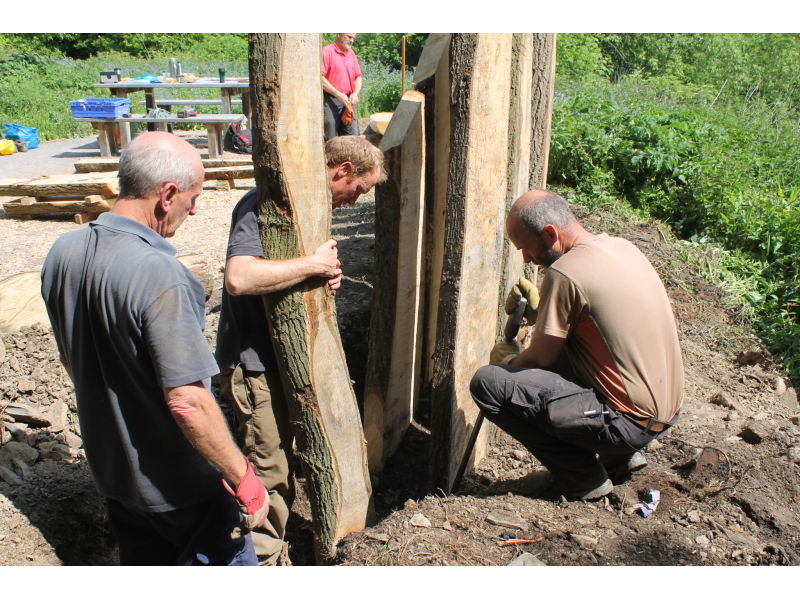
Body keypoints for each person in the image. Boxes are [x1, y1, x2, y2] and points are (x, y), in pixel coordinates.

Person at [40, 132, 268, 566]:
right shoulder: (161, 275)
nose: (195, 208)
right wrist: (243, 478)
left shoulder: (62, 252)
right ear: (167, 195)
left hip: (115, 478)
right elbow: (188, 402)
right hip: (180, 489)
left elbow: (72, 359)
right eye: (193, 197)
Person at [215, 135, 386, 566]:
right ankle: (262, 556)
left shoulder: (312, 209)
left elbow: (288, 273)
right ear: (342, 171)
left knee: (283, 462)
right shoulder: (262, 204)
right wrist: (313, 266)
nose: (353, 202)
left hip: (281, 358)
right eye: (358, 190)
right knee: (268, 471)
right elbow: (239, 277)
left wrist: (319, 278)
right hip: (253, 364)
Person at [471, 190, 685, 501]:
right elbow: (599, 322)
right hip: (664, 413)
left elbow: (540, 360)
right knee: (571, 351)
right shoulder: (621, 247)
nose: (526, 258)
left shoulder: (564, 273)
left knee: (487, 384)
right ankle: (621, 458)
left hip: (628, 424)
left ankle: (579, 475)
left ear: (550, 233)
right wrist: (542, 312)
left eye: (526, 248)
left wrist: (509, 364)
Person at [322, 32, 363, 141]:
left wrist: (356, 93)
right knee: (329, 136)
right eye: (349, 36)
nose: (352, 40)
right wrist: (337, 94)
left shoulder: (352, 54)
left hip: (348, 100)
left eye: (353, 38)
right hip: (329, 99)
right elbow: (320, 78)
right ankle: (329, 158)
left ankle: (349, 158)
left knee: (354, 137)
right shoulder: (327, 51)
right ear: (339, 34)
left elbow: (358, 77)